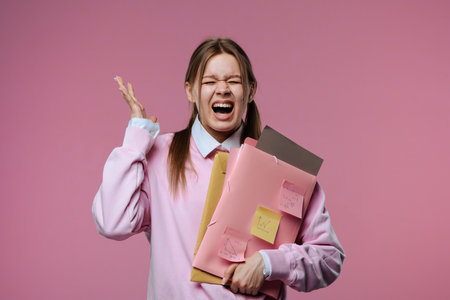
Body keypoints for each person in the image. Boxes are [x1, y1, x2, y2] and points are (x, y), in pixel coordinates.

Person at [92, 37, 345, 299]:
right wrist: (136, 138)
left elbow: (329, 258)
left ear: (250, 91)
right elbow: (113, 223)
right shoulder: (160, 155)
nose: (222, 89)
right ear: (190, 91)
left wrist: (268, 263)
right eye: (210, 81)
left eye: (233, 81)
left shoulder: (283, 165)